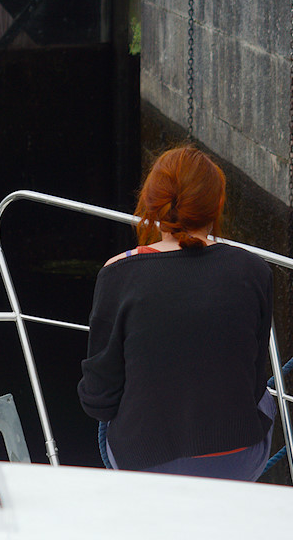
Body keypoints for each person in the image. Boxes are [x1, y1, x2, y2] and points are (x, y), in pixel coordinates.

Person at [77, 145, 276, 480]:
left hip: (144, 462)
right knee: (267, 399)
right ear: (217, 204)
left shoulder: (118, 274)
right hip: (237, 459)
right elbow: (254, 381)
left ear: (151, 203)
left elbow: (99, 399)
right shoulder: (253, 269)